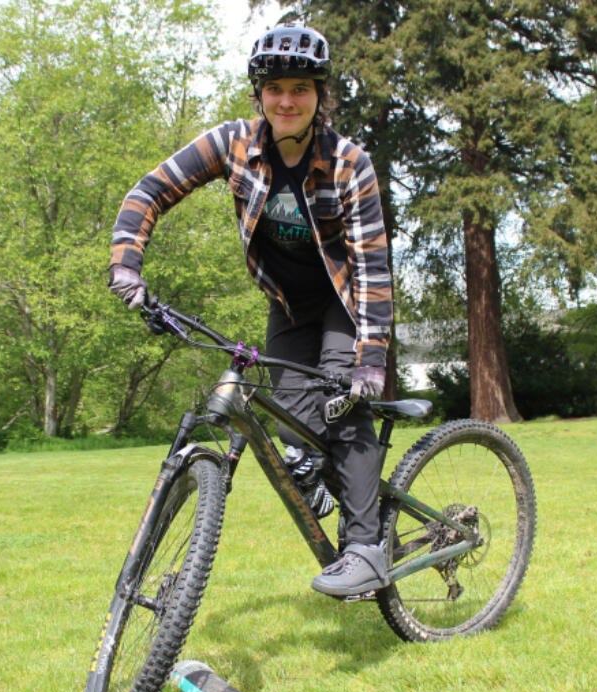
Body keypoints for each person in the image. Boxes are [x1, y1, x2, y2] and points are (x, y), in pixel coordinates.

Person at [107, 22, 393, 598]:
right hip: (287, 303)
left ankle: (366, 547)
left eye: (301, 88)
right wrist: (126, 264)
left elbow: (371, 267)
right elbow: (151, 190)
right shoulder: (232, 144)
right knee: (292, 421)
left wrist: (370, 359)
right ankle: (323, 480)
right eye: (275, 88)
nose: (287, 100)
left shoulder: (348, 162)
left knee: (341, 403)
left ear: (320, 95)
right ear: (258, 92)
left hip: (346, 299)